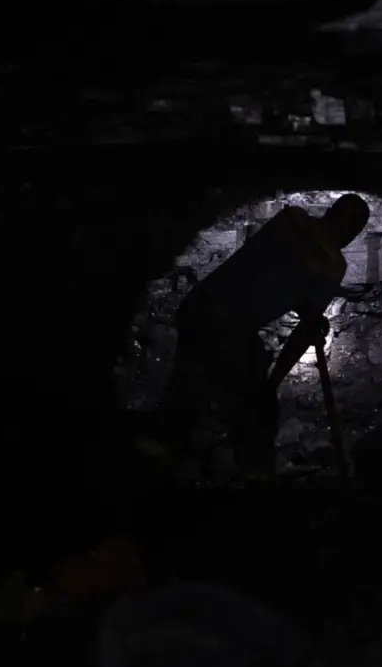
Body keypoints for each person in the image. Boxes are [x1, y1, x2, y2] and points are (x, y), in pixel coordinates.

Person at [156, 194, 370, 478]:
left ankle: (158, 458)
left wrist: (305, 306)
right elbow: (300, 330)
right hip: (225, 328)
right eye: (354, 230)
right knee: (255, 417)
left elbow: (268, 266)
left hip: (199, 307)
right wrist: (272, 384)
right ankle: (256, 484)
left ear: (330, 210)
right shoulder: (331, 263)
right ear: (353, 232)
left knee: (185, 392)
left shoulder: (291, 217)